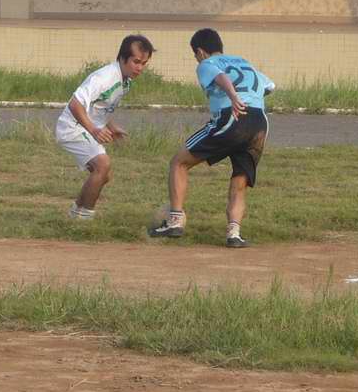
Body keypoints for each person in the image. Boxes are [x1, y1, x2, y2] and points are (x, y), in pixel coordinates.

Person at [149, 28, 274, 248]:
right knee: (240, 178)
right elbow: (270, 86)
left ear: (200, 51)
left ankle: (174, 221)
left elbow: (220, 77)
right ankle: (234, 234)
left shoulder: (207, 63)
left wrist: (233, 96)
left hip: (233, 116)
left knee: (179, 162)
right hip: (259, 123)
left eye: (195, 55)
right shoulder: (244, 62)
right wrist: (250, 96)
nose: (197, 59)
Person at [55, 34, 155, 219]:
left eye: (144, 63)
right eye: (136, 62)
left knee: (103, 175)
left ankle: (76, 213)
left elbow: (99, 107)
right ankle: (85, 217)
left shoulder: (125, 81)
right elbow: (75, 104)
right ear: (122, 58)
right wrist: (94, 130)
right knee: (102, 165)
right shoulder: (104, 77)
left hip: (85, 127)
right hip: (72, 127)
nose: (140, 68)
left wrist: (111, 126)